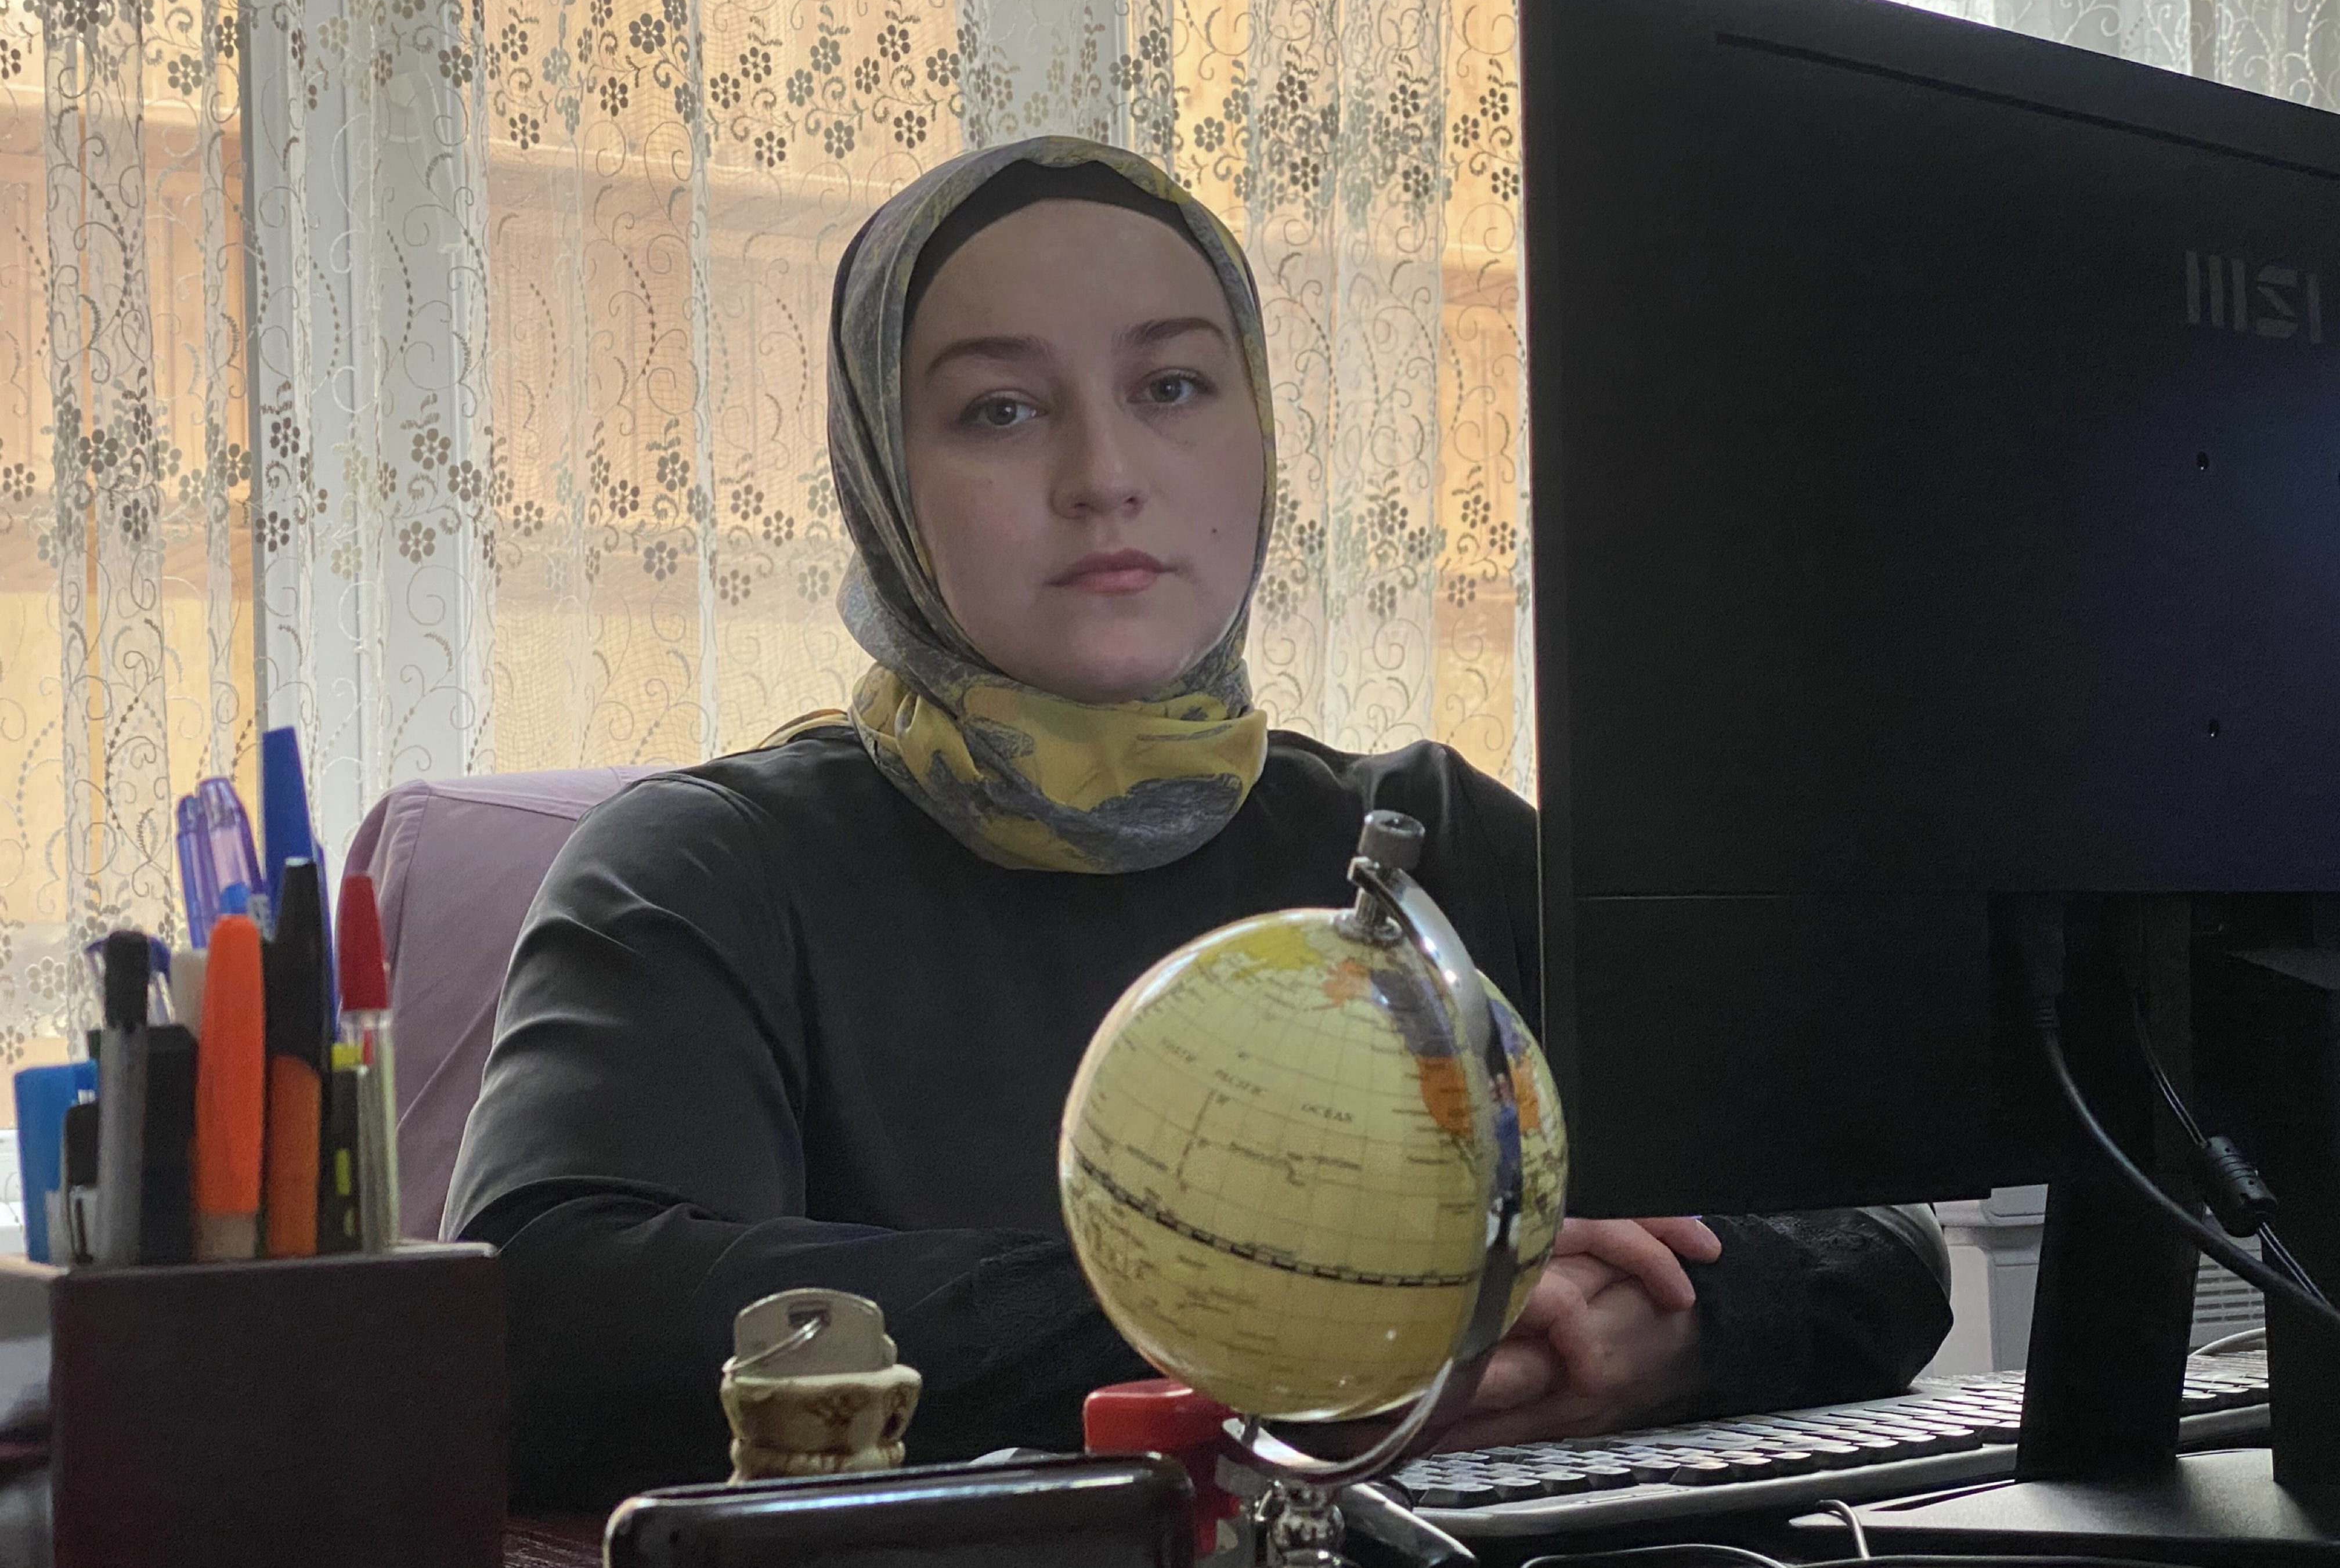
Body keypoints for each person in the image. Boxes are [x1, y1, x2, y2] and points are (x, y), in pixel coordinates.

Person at [443, 135, 1952, 1511]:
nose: (1105, 478)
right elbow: (547, 1320)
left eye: (1171, 387)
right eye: (1000, 410)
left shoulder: (1429, 837)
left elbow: (1872, 1229)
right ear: (884, 478)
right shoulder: (708, 869)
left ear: (1260, 429)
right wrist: (1302, 1322)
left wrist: (1665, 1337)